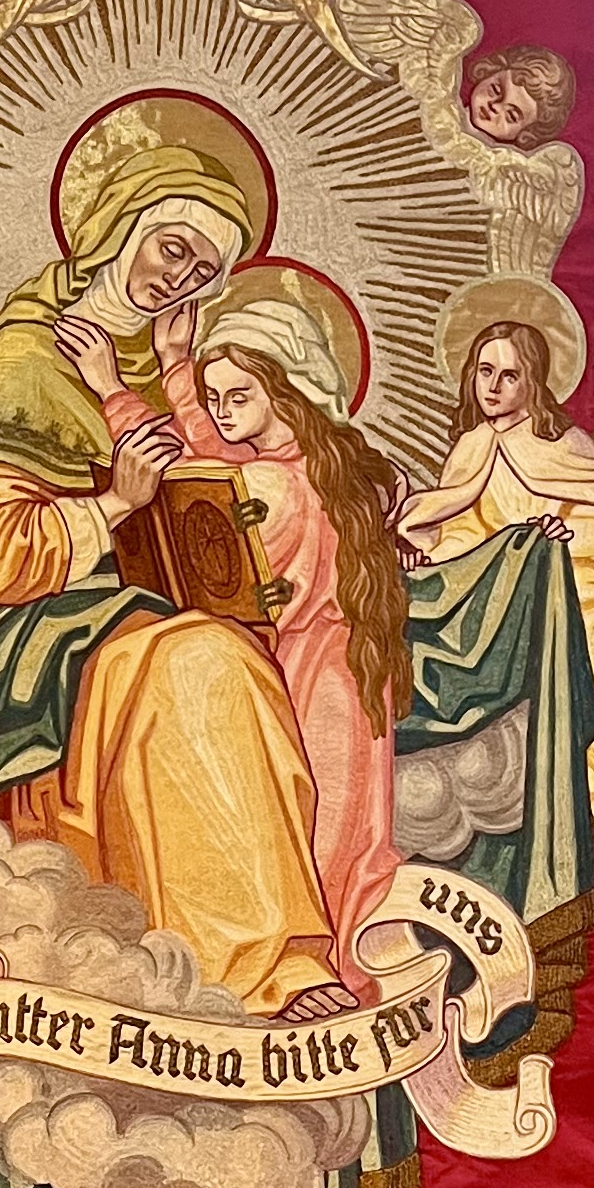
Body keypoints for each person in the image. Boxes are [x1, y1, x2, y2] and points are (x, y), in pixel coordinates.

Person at [0, 129, 345, 1017]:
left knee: (221, 658)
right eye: (173, 246)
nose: (179, 275)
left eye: (202, 267)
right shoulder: (25, 362)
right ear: (125, 224)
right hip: (46, 645)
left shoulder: (176, 376)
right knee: (201, 665)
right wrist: (114, 506)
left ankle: (265, 962)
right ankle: (256, 971)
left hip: (154, 624)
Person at [195, 299, 410, 975]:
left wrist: (124, 395)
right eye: (212, 398)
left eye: (238, 395)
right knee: (353, 841)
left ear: (284, 390)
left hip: (296, 675)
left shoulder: (265, 484)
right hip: (352, 672)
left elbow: (204, 503)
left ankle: (318, 987)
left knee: (302, 839)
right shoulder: (348, 471)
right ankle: (357, 977)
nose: (222, 412)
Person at [401, 311, 594, 822]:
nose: (493, 387)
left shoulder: (564, 445)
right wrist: (431, 554)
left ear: (533, 380)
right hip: (497, 591)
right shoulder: (471, 449)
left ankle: (589, 775)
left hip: (574, 587)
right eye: (484, 372)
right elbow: (463, 531)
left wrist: (568, 538)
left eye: (509, 375)